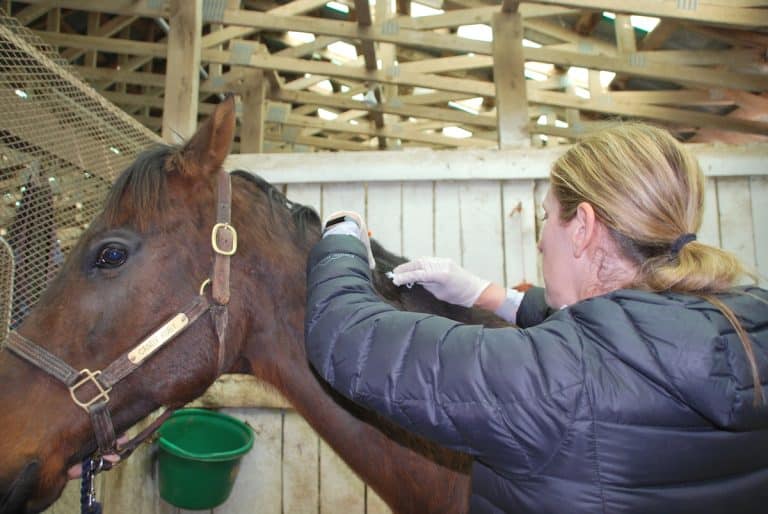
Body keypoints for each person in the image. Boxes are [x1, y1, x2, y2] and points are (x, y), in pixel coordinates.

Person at [304, 123, 768, 514]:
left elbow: (346, 337)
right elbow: (623, 333)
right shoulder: (751, 328)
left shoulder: (553, 381)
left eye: (547, 218)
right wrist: (490, 296)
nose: (542, 241)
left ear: (583, 228)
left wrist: (343, 234)